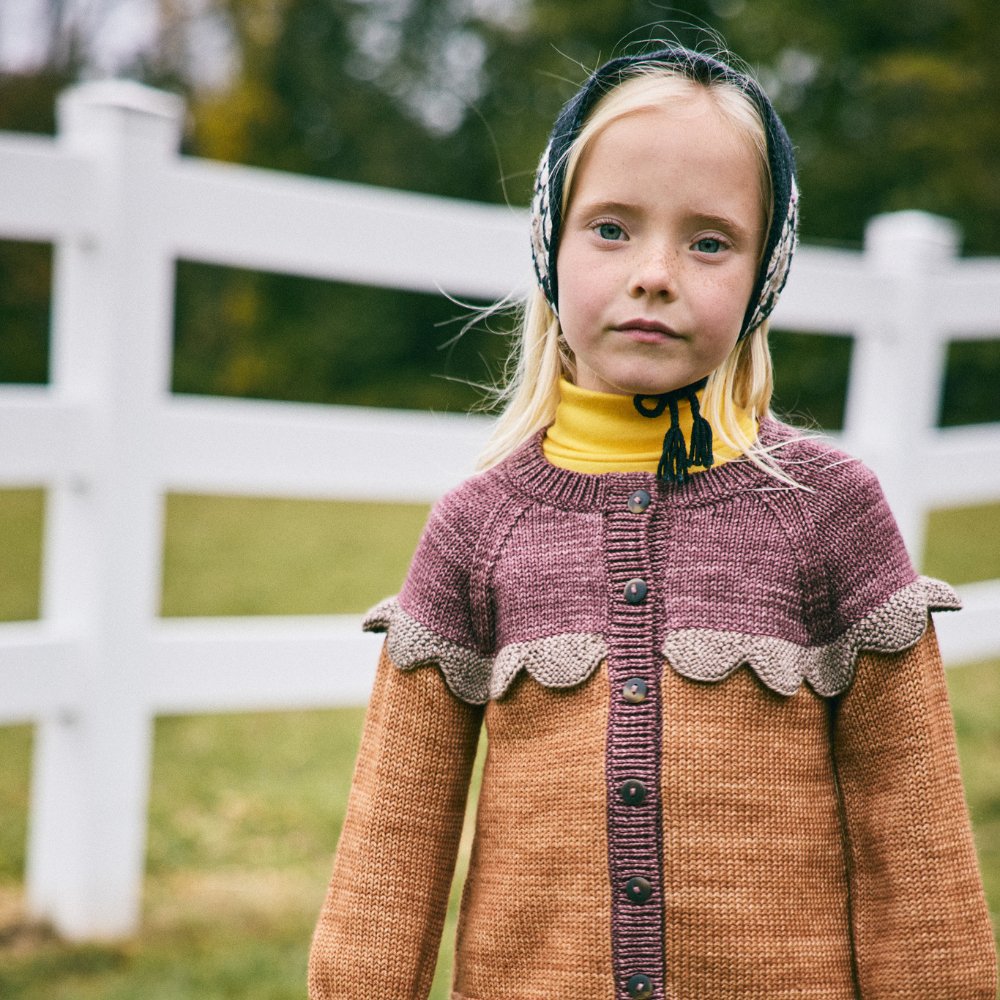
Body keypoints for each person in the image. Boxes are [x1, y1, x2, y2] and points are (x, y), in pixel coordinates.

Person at [308, 46, 997, 999]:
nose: (656, 274)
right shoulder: (480, 525)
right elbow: (394, 838)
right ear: (553, 249)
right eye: (612, 230)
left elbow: (912, 837)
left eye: (710, 242)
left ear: (765, 275)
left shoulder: (828, 512)